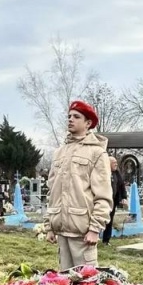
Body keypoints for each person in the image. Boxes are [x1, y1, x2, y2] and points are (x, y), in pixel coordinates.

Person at [46, 100, 112, 271]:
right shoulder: (59, 153)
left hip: (83, 233)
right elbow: (52, 191)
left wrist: (95, 229)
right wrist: (49, 226)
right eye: (69, 116)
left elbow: (103, 196)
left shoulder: (97, 152)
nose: (70, 119)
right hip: (62, 231)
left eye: (76, 116)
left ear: (88, 123)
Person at [101, 156, 128, 244]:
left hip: (112, 201)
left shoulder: (116, 173)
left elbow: (121, 186)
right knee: (100, 219)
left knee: (109, 220)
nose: (116, 164)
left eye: (116, 162)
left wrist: (124, 197)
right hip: (102, 200)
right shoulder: (103, 172)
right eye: (113, 162)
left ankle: (106, 240)